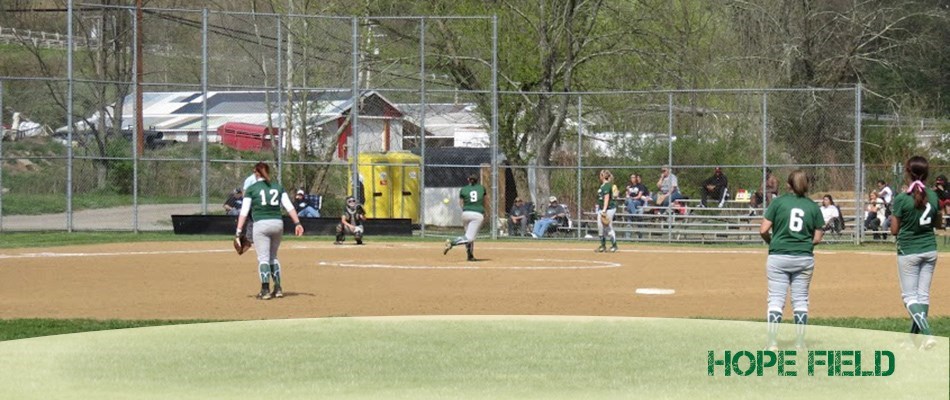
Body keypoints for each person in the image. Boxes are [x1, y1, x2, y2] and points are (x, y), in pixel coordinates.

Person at [759, 170, 825, 351]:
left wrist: (772, 243)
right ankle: (800, 343)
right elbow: (817, 238)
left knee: (775, 300)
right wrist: (802, 244)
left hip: (778, 256)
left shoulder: (778, 202)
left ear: (788, 185)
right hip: (803, 258)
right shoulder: (812, 206)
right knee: (801, 301)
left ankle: (772, 343)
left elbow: (763, 229)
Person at [889, 156, 942, 350]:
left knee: (909, 297)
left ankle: (928, 335)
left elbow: (894, 230)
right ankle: (912, 341)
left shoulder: (903, 199)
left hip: (909, 250)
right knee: (923, 296)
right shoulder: (934, 196)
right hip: (930, 249)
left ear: (908, 174)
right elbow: (938, 223)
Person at [236, 162, 304, 300]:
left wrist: (238, 231)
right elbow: (289, 207)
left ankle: (265, 290)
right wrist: (297, 223)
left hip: (261, 224)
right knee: (274, 257)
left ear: (256, 173)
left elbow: (244, 212)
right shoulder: (278, 187)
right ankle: (278, 288)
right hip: (278, 224)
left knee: (263, 259)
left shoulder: (251, 189)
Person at [443, 174, 486, 261]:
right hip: (477, 215)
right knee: (470, 238)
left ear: (468, 180)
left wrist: (465, 210)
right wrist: (484, 211)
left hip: (466, 214)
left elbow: (461, 203)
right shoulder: (481, 188)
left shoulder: (464, 189)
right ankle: (452, 242)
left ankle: (470, 255)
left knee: (467, 236)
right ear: (477, 180)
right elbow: (484, 201)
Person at [595, 169, 618, 253]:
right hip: (601, 209)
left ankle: (614, 245)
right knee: (600, 227)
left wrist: (604, 210)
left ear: (603, 176)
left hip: (609, 209)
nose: (599, 176)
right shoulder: (602, 185)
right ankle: (602, 246)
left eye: (600, 175)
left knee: (608, 227)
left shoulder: (607, 185)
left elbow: (607, 198)